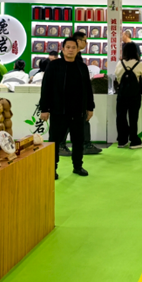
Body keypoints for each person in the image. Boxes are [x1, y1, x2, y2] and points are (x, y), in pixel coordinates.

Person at [39, 37, 95, 179]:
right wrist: (44, 109)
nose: (70, 50)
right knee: (54, 141)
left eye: (73, 47)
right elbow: (46, 87)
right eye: (68, 47)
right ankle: (52, 168)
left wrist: (90, 107)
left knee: (78, 141)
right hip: (58, 111)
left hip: (78, 112)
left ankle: (78, 166)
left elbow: (88, 89)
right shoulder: (54, 66)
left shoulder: (82, 67)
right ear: (63, 49)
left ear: (77, 50)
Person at [115, 42, 142, 149]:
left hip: (122, 94)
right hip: (135, 95)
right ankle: (134, 140)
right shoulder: (139, 64)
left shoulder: (120, 63)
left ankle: (122, 140)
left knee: (121, 117)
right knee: (133, 118)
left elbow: (117, 77)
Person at [74, 31, 102, 155]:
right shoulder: (73, 61)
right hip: (74, 98)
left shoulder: (79, 60)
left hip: (80, 98)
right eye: (85, 41)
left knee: (82, 121)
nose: (86, 43)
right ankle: (62, 145)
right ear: (78, 41)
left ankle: (85, 144)